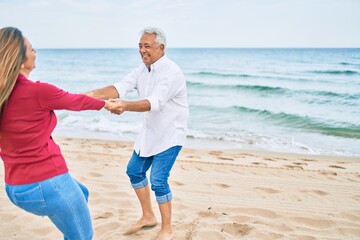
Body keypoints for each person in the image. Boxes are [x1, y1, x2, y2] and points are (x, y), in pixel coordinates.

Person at [0, 27, 114, 240]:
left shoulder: (4, 93)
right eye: (31, 49)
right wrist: (107, 104)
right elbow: (76, 102)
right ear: (20, 57)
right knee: (83, 237)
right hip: (46, 184)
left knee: (83, 193)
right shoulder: (38, 91)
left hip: (15, 188)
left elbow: (69, 98)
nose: (35, 52)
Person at [86, 27, 189, 240]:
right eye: (140, 46)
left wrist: (124, 105)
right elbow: (119, 87)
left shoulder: (172, 72)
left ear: (161, 47)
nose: (142, 50)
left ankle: (167, 229)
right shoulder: (141, 71)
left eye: (147, 46)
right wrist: (90, 95)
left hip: (171, 134)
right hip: (150, 133)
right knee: (134, 171)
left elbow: (155, 102)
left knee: (159, 180)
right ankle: (148, 216)